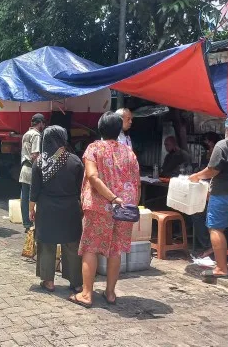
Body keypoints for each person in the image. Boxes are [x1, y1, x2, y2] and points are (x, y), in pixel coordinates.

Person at [71, 111, 140, 308]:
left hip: (99, 207)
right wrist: (127, 203)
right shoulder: (129, 152)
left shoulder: (94, 148)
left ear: (100, 128)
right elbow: (137, 183)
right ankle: (110, 293)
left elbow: (92, 177)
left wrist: (112, 198)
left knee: (91, 248)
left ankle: (86, 294)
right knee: (115, 250)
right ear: (119, 129)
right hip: (124, 209)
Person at [189, 115, 228, 277]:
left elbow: (213, 170)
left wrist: (197, 176)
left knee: (216, 228)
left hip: (222, 193)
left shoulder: (223, 145)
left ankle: (221, 267)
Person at [29, 126, 83, 293]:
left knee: (47, 244)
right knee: (72, 245)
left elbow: (34, 190)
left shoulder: (39, 162)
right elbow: (80, 188)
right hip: (70, 209)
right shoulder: (75, 161)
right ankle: (76, 282)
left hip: (47, 209)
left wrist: (31, 209)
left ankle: (48, 281)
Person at [19, 113, 45, 231]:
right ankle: (30, 224)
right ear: (40, 123)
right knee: (32, 197)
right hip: (31, 169)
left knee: (24, 197)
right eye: (43, 123)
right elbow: (35, 155)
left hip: (24, 168)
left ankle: (26, 223)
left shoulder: (26, 134)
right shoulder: (36, 135)